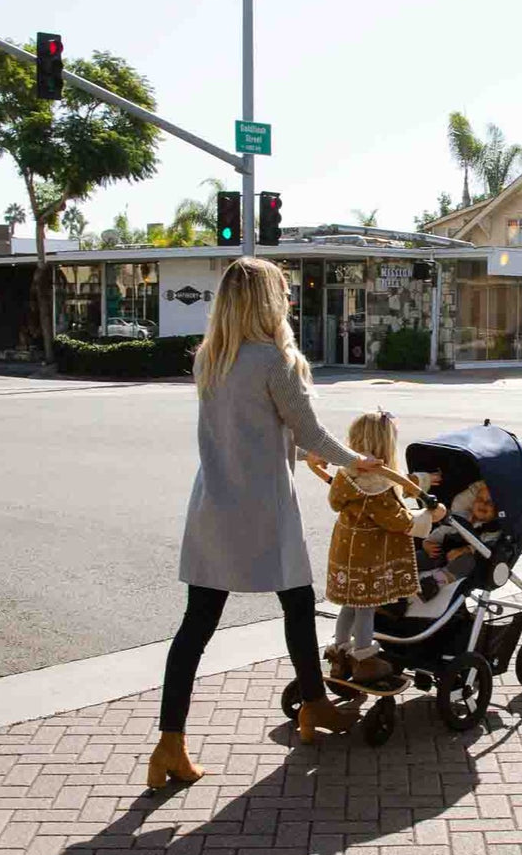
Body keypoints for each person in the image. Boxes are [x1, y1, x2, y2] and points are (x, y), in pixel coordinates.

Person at [147, 257, 382, 791]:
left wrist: (305, 453)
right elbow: (310, 431)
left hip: (214, 504)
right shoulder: (276, 360)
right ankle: (315, 703)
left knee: (196, 627)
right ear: (266, 302)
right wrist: (356, 461)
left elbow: (253, 431)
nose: (289, 301)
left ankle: (170, 742)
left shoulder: (211, 358)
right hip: (265, 507)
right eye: (283, 292)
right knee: (297, 606)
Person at [322, 410, 447, 685]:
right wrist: (429, 516)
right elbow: (398, 520)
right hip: (369, 556)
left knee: (350, 605)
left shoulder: (347, 475)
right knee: (366, 607)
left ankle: (340, 655)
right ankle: (364, 659)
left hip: (345, 551)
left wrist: (423, 480)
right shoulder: (376, 487)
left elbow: (399, 481)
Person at [417, 480, 502, 600]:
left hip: (466, 561)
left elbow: (488, 546)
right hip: (444, 553)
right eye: (480, 499)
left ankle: (435, 582)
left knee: (466, 562)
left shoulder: (492, 528)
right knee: (423, 555)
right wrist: (428, 542)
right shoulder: (462, 517)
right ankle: (402, 570)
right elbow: (443, 531)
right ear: (472, 502)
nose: (483, 504)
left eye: (490, 502)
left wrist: (465, 550)